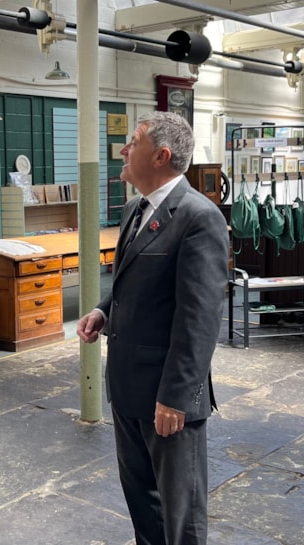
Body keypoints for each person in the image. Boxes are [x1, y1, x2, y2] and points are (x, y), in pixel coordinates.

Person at [77, 111, 227, 545]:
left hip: (167, 395)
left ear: (161, 156)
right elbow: (134, 281)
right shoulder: (133, 209)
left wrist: (176, 397)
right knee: (143, 503)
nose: (123, 150)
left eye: (134, 141)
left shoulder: (199, 217)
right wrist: (104, 311)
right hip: (127, 385)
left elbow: (198, 319)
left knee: (181, 513)